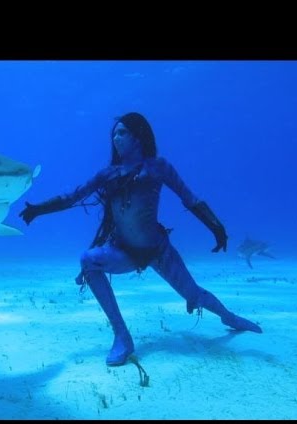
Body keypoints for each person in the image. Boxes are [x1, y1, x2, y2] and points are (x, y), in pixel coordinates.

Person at [19, 112, 262, 367]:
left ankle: (228, 317)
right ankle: (122, 336)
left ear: (138, 137)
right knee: (88, 260)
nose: (115, 138)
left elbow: (190, 199)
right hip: (124, 251)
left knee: (194, 294)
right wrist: (38, 209)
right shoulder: (108, 175)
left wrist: (216, 227)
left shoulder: (158, 167)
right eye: (114, 134)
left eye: (122, 132)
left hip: (158, 250)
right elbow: (72, 197)